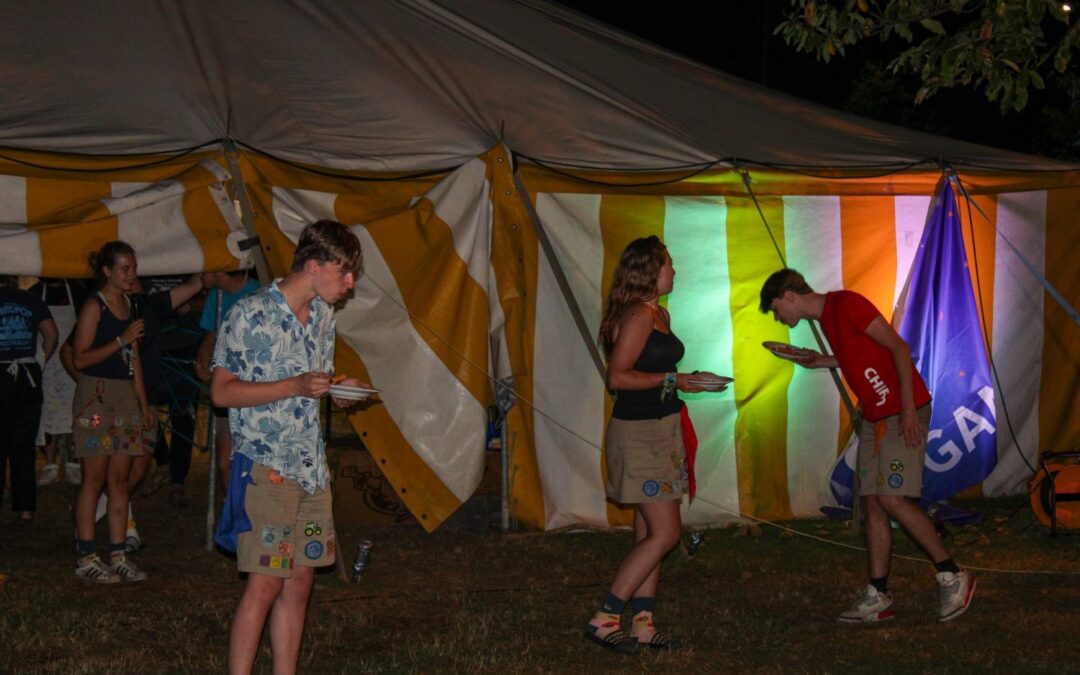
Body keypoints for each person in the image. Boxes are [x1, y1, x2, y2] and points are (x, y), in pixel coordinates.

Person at [759, 268, 975, 623]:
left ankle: (953, 574)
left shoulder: (846, 304)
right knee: (873, 502)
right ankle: (879, 594)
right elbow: (860, 355)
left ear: (789, 296)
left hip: (901, 412)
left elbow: (899, 347)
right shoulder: (827, 318)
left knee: (891, 498)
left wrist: (908, 409)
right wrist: (820, 361)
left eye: (775, 309)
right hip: (875, 417)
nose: (779, 318)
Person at [212, 220, 366, 674]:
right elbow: (221, 392)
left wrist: (339, 388)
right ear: (314, 266)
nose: (350, 283)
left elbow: (313, 380)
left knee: (300, 581)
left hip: (310, 470)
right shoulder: (250, 314)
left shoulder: (323, 316)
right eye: (344, 271)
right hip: (266, 469)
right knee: (265, 583)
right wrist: (294, 386)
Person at [586, 235, 705, 654]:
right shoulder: (638, 314)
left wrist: (683, 381)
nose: (674, 270)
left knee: (649, 529)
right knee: (667, 532)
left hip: (662, 428)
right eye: (669, 263)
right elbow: (617, 377)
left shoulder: (659, 314)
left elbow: (653, 372)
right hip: (639, 434)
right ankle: (605, 617)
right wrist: (675, 379)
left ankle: (643, 624)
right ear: (650, 271)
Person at [71, 241, 154, 583]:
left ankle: (118, 554)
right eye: (124, 268)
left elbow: (134, 361)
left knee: (120, 480)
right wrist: (120, 340)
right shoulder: (95, 306)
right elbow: (79, 358)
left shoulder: (129, 304)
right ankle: (87, 556)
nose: (131, 274)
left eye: (133, 268)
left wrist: (143, 403)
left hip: (124, 398)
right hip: (97, 396)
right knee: (94, 478)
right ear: (107, 270)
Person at [195, 270, 260, 489]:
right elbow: (210, 337)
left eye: (209, 268)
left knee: (249, 461)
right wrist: (204, 364)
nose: (201, 273)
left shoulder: (259, 294)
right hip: (226, 390)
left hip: (252, 391)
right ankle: (230, 505)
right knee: (225, 462)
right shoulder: (217, 295)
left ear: (221, 272)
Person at [0, 276, 58, 521]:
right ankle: (26, 508)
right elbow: (51, 334)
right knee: (24, 444)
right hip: (27, 373)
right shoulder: (31, 300)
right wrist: (40, 361)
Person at [32, 278, 89, 487]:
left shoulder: (78, 290)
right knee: (47, 413)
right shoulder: (35, 293)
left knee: (74, 413)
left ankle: (73, 462)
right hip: (46, 363)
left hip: (71, 361)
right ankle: (50, 465)